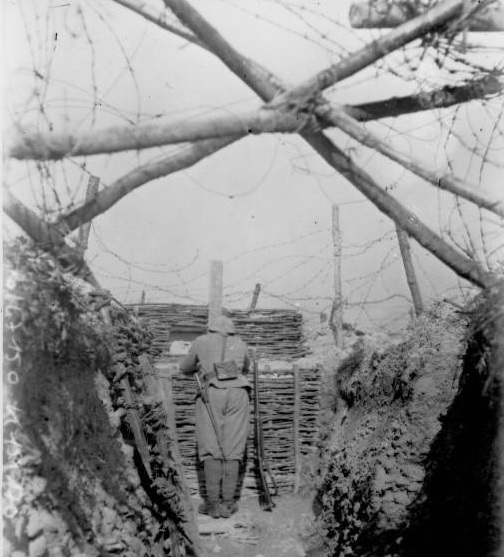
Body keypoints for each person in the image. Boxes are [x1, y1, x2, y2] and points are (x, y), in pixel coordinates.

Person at [179, 315, 251, 519]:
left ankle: (211, 504)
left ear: (210, 329)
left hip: (212, 392)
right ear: (231, 330)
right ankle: (228, 505)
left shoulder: (201, 341)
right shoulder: (241, 343)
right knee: (234, 446)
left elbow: (185, 367)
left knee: (211, 445)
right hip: (239, 393)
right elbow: (245, 368)